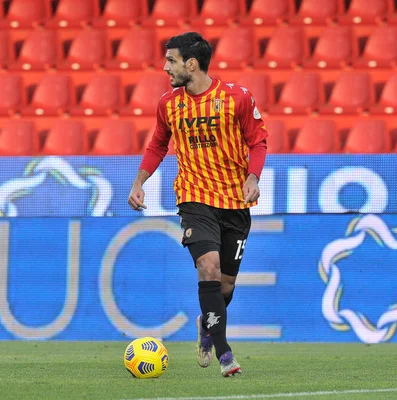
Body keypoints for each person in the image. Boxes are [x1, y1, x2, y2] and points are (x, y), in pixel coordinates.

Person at [127, 32, 268, 377]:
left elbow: (258, 141)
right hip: (194, 199)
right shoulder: (168, 104)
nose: (165, 67)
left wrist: (253, 177)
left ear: (191, 63)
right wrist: (138, 183)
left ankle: (207, 324)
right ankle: (224, 352)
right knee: (208, 267)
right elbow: (158, 145)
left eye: (171, 60)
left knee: (225, 286)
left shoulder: (236, 98)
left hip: (234, 202)